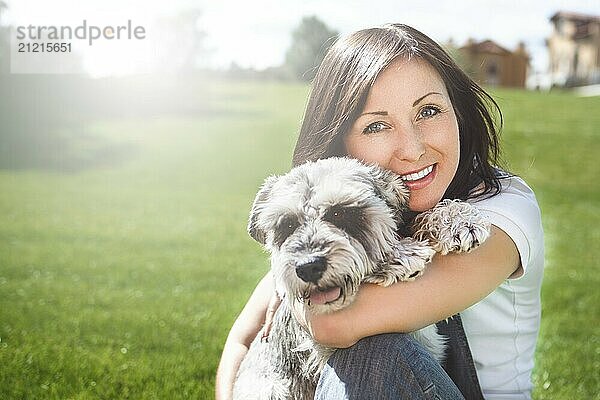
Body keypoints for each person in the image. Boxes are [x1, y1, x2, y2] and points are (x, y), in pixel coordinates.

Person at [216, 23, 544, 400]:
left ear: (459, 113)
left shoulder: (504, 212)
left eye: (429, 111)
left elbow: (335, 325)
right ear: (340, 145)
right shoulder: (345, 220)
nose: (411, 148)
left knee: (374, 347)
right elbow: (244, 340)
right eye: (376, 126)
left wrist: (295, 295)